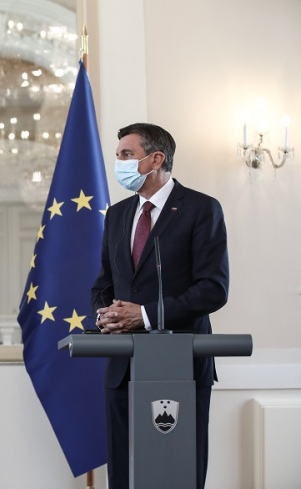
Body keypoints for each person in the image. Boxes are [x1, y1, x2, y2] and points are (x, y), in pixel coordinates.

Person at [91, 123, 229, 489]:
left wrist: (144, 316)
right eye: (117, 155)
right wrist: (106, 315)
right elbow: (104, 282)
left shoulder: (201, 209)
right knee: (123, 472)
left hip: (181, 364)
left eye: (127, 155)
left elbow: (213, 289)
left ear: (156, 159)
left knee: (179, 468)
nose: (119, 162)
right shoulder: (117, 214)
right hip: (123, 366)